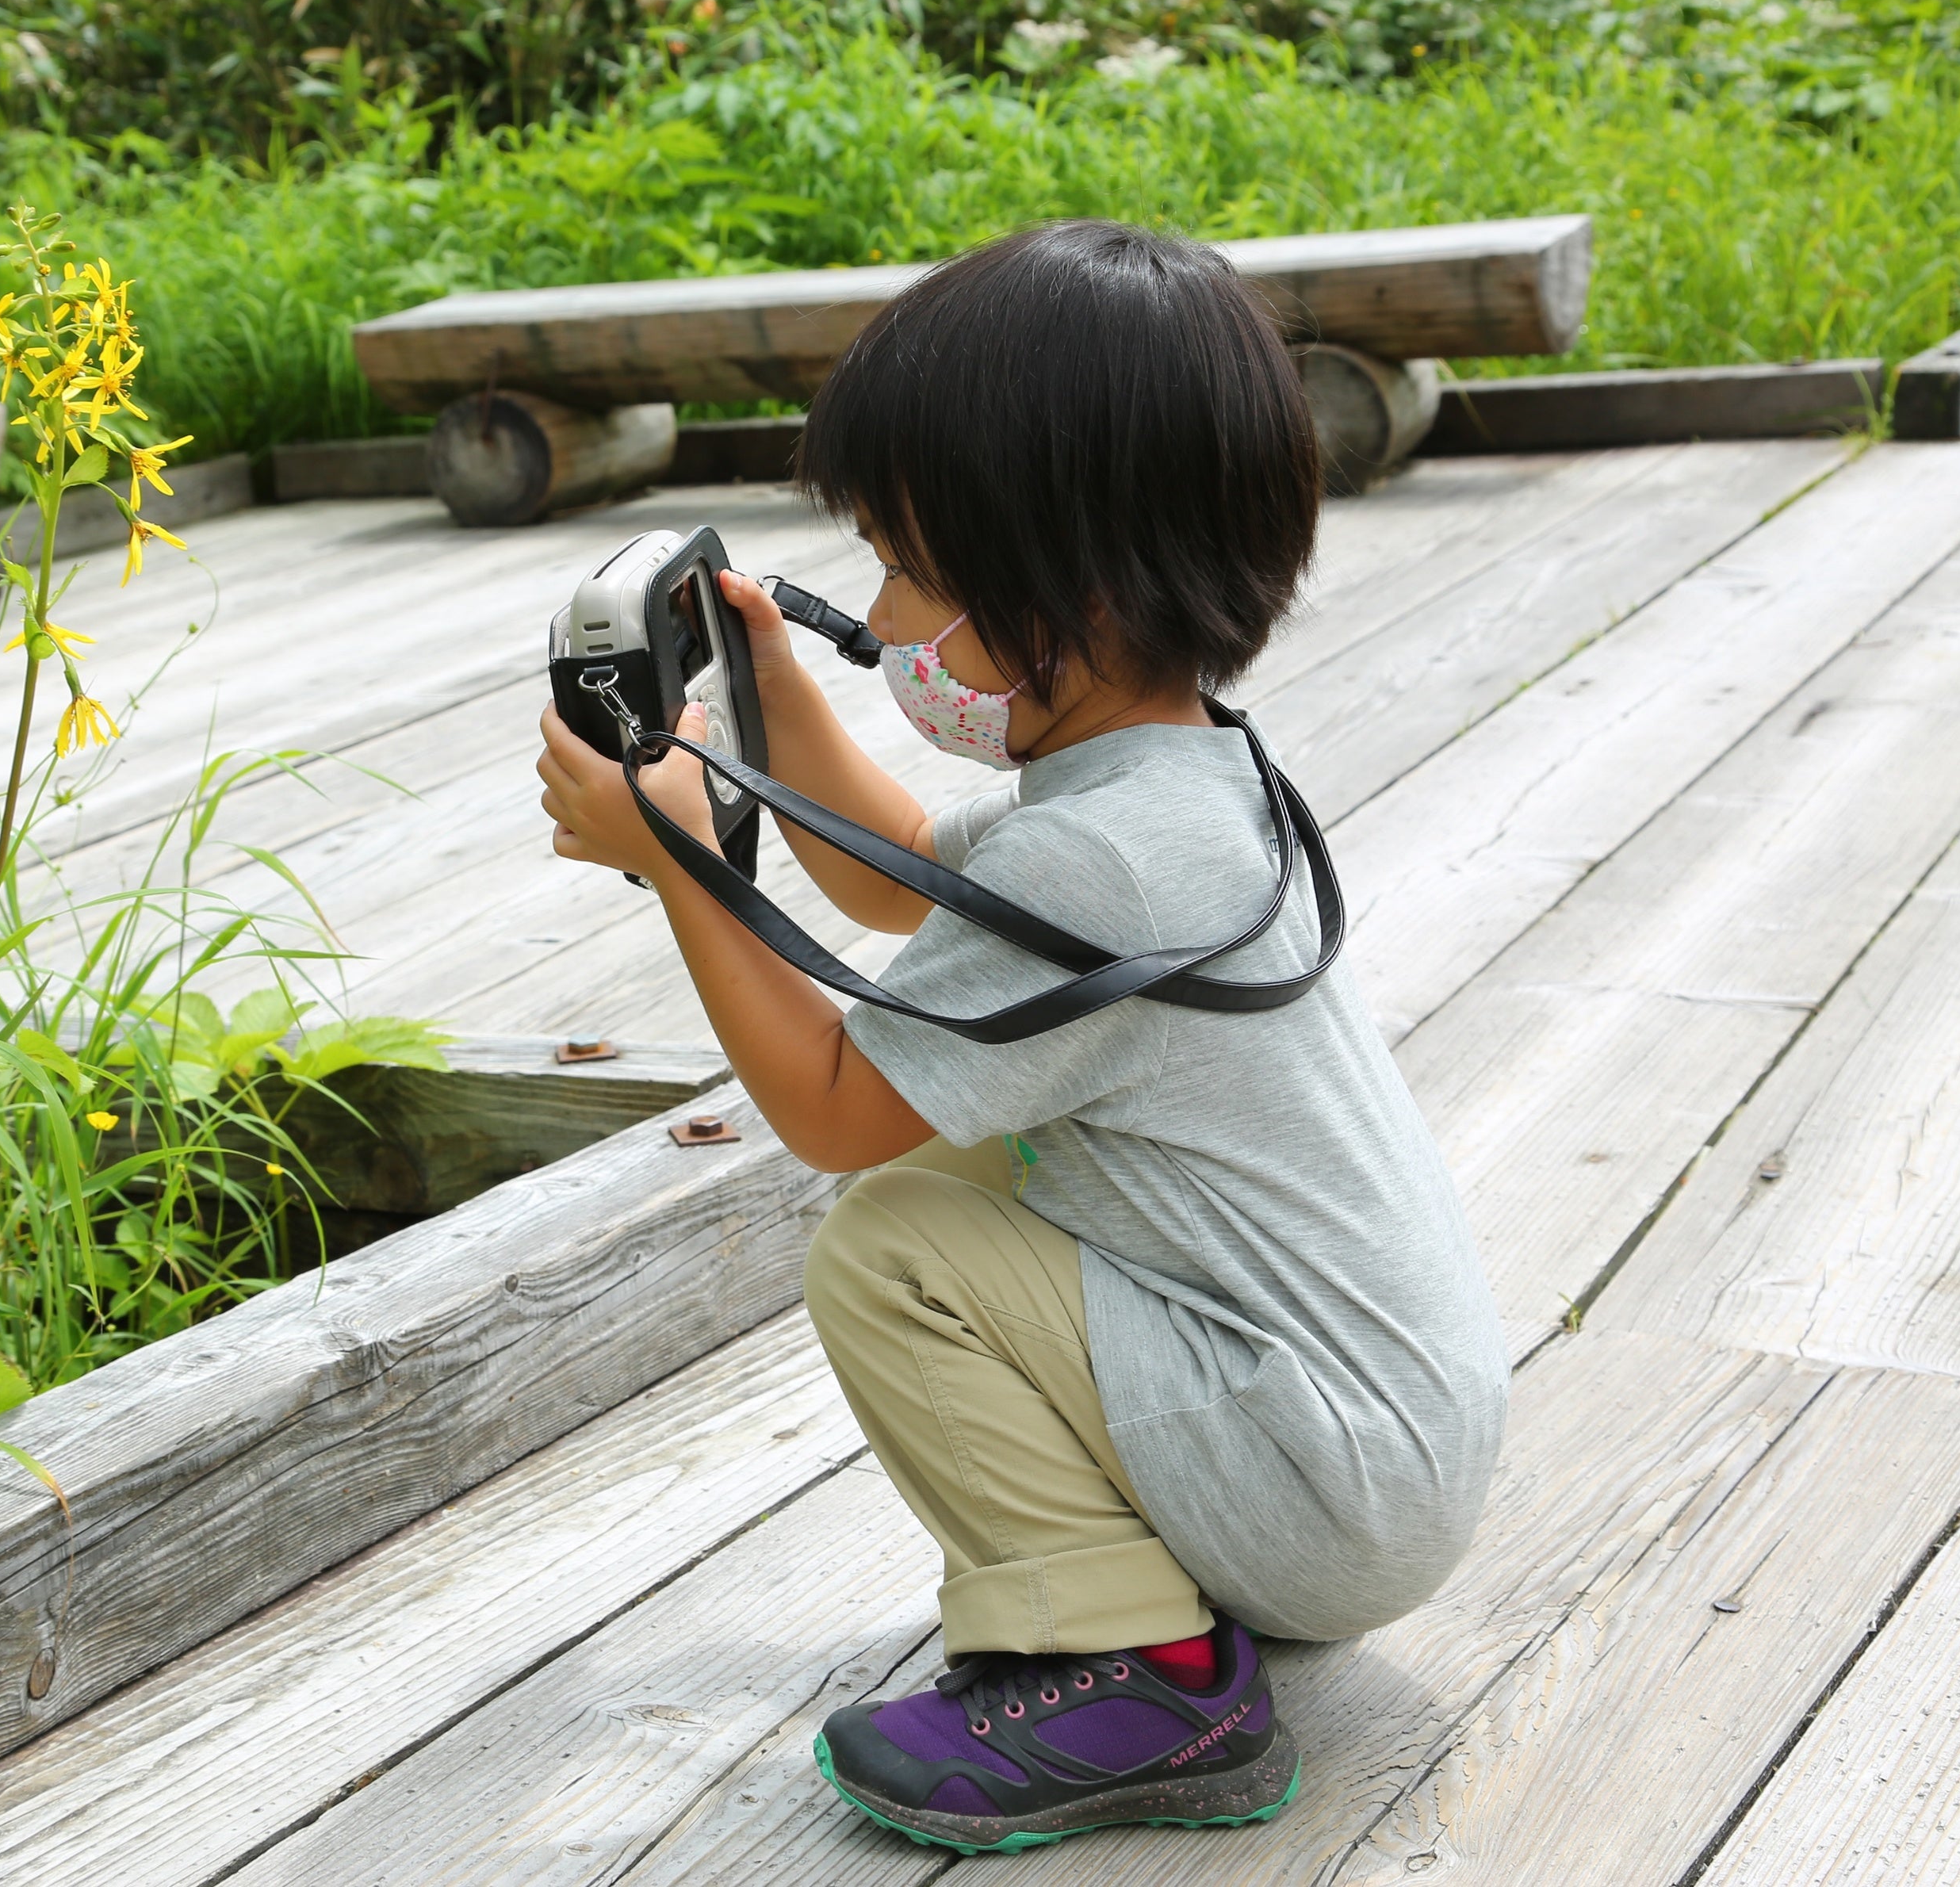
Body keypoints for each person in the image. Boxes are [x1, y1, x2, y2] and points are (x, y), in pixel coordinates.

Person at [533, 220, 1506, 1855]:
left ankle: (1150, 1675)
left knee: (896, 1241)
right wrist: (774, 688)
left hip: (1328, 1479)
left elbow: (834, 1106)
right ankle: (1158, 1587)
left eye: (912, 570)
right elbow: (906, 873)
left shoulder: (1103, 857)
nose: (885, 612)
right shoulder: (1172, 773)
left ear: (1076, 586)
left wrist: (681, 860)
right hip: (1370, 1438)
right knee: (967, 1165)